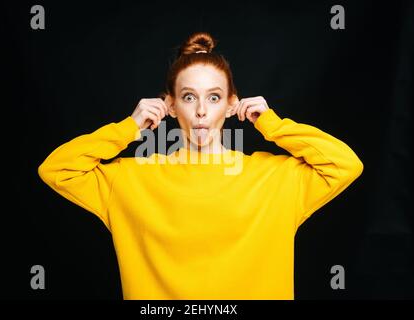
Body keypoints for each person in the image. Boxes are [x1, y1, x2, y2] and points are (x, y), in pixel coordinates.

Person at [38, 31, 364, 300]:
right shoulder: (130, 178)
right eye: (189, 97)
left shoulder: (275, 178)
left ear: (232, 104)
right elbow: (57, 169)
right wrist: (130, 127)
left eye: (213, 97)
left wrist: (272, 124)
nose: (201, 112)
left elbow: (344, 164)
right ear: (170, 105)